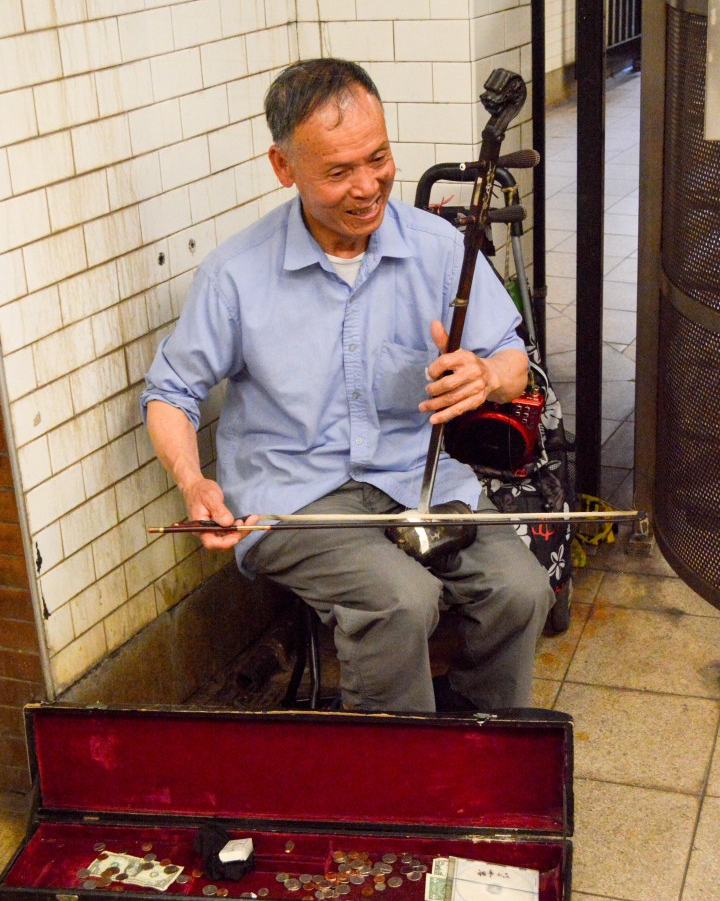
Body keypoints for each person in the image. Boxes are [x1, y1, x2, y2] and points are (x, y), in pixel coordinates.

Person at [142, 58, 553, 714]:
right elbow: (170, 391)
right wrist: (193, 483)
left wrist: (486, 376)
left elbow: (512, 358)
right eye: (338, 172)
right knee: (400, 602)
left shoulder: (437, 247)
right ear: (284, 167)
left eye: (378, 158)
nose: (367, 187)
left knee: (522, 591)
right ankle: (388, 765)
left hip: (415, 478)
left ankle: (478, 738)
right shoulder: (237, 273)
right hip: (295, 494)